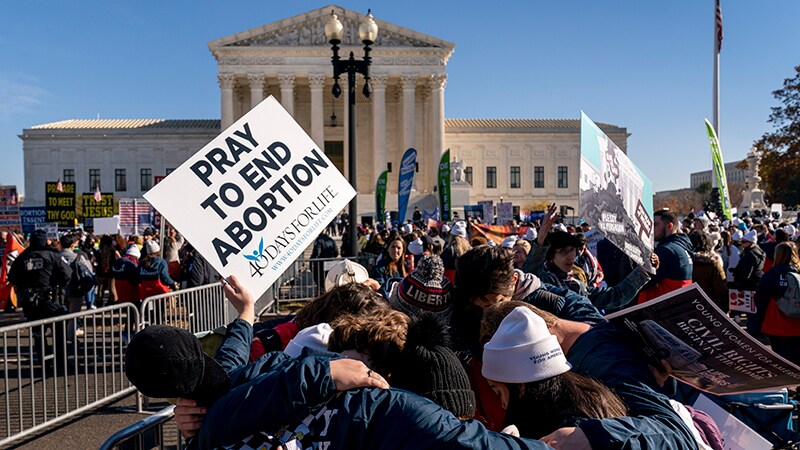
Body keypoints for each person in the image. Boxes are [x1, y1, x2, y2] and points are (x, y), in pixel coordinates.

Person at [481, 305, 628, 439]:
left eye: (499, 392)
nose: (502, 404)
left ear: (520, 386)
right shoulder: (593, 396)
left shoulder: (562, 435)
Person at [8, 229, 72, 363]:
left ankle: (45, 360)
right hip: (51, 298)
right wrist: (57, 284)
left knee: (38, 333)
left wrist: (25, 286)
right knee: (59, 331)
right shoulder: (52, 255)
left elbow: (12, 277)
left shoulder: (23, 256)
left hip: (31, 301)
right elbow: (67, 273)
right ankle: (61, 362)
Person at [754, 242, 800, 365]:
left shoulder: (770, 274)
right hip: (798, 324)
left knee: (780, 361)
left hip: (776, 323)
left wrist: (762, 319)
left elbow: (760, 299)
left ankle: (783, 383)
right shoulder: (799, 273)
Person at [638, 209, 694, 303]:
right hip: (676, 304)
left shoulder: (666, 251)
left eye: (655, 225)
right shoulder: (682, 245)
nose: (651, 229)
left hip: (659, 307)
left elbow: (641, 283)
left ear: (669, 226)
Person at [688, 231, 728, 311]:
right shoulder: (712, 263)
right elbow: (721, 289)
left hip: (687, 305)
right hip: (708, 307)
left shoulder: (684, 261)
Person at [95, 235, 119, 307]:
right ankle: (114, 306)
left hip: (100, 272)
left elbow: (92, 260)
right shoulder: (113, 251)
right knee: (112, 290)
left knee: (100, 289)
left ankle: (99, 305)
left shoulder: (98, 251)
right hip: (111, 273)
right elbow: (119, 259)